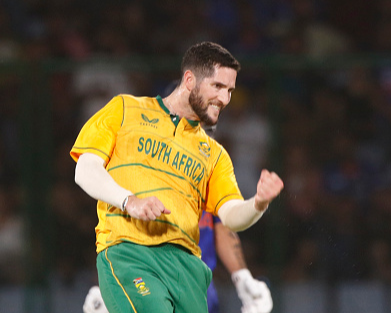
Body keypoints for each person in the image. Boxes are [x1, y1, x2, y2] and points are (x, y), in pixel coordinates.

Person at [70, 41, 283, 313]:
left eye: (230, 90)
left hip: (190, 271)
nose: (225, 99)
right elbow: (85, 169)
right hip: (131, 253)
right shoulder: (124, 109)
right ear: (190, 80)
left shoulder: (215, 153)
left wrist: (258, 203)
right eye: (217, 87)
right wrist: (129, 201)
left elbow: (229, 216)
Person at [82, 211, 273, 313]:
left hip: (198, 289)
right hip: (148, 280)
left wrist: (242, 278)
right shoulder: (146, 155)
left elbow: (221, 224)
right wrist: (110, 284)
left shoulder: (209, 162)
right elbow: (117, 224)